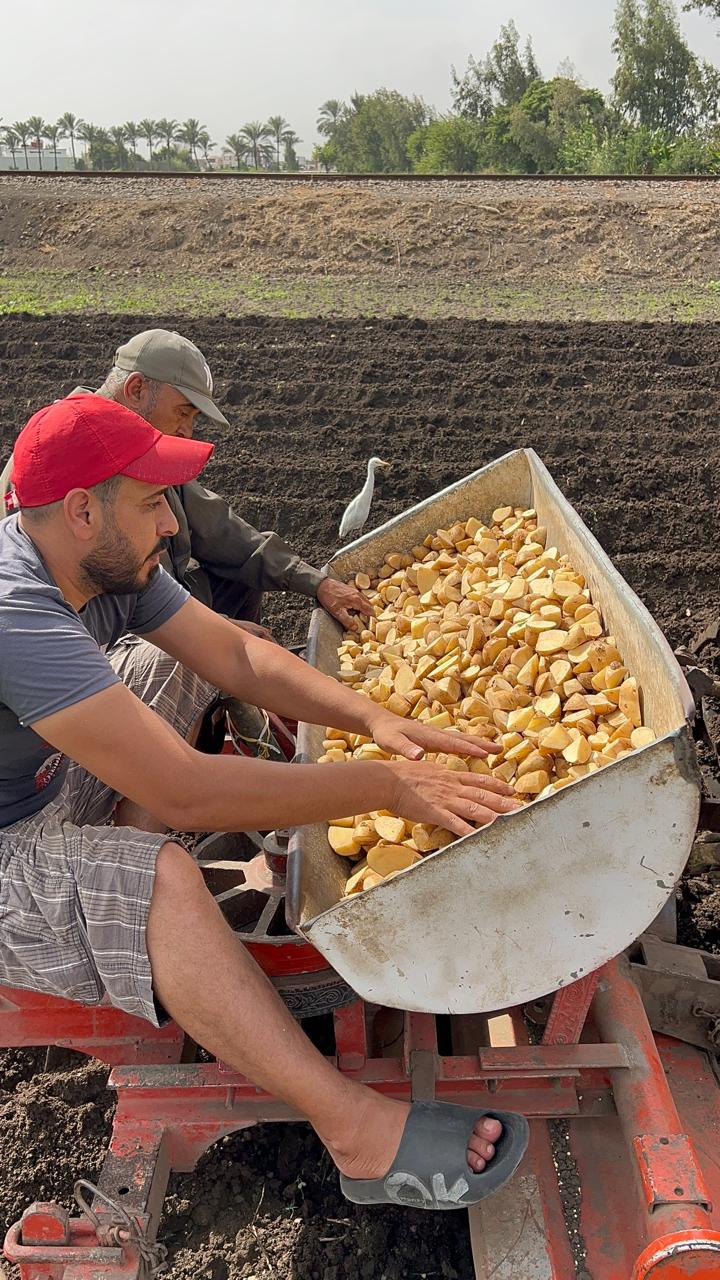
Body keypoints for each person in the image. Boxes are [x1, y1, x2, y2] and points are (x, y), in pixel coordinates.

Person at [0, 395, 528, 1211]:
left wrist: (373, 716)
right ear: (80, 512)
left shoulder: (104, 561)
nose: (171, 526)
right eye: (150, 506)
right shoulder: (15, 615)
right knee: (162, 878)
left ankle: (107, 871)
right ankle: (355, 1131)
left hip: (39, 781)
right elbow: (183, 786)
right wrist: (386, 783)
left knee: (177, 662)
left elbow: (238, 655)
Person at [0, 328, 370, 640]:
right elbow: (107, 598)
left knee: (240, 580)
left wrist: (315, 582)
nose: (187, 431)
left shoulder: (142, 450)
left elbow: (219, 529)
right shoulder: (62, 453)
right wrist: (223, 635)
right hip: (93, 639)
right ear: (137, 389)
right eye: (182, 412)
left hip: (156, 605)